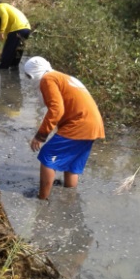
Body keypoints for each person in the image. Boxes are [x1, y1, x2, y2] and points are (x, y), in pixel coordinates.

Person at [24, 56, 105, 200]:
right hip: (94, 125)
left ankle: (42, 199)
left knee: (47, 155)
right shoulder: (64, 77)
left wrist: (40, 135)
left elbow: (56, 109)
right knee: (72, 164)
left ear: (33, 74)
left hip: (79, 124)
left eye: (28, 76)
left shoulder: (48, 79)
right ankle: (69, 198)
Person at [0, 1, 31, 69]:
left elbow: (4, 15)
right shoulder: (10, 8)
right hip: (27, 28)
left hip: (18, 28)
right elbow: (7, 38)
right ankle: (14, 67)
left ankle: (3, 68)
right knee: (18, 50)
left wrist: (1, 31)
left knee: (8, 51)